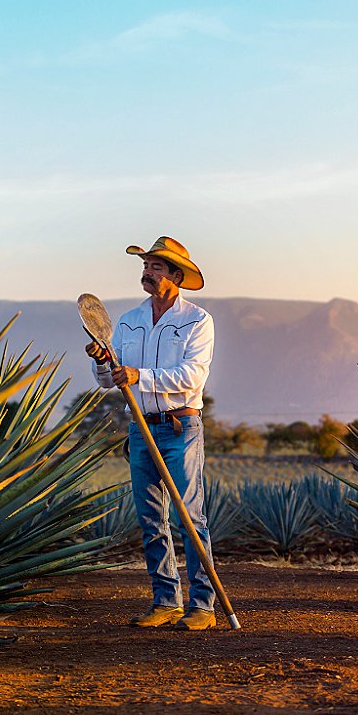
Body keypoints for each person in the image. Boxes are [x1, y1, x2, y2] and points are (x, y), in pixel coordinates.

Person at [86, 236, 217, 631]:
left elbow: (192, 376)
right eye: (146, 265)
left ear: (176, 275)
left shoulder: (197, 320)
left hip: (181, 428)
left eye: (156, 266)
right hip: (140, 429)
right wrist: (102, 361)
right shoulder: (128, 321)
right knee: (150, 519)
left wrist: (140, 375)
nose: (147, 271)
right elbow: (109, 380)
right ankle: (165, 601)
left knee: (190, 516)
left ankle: (204, 606)